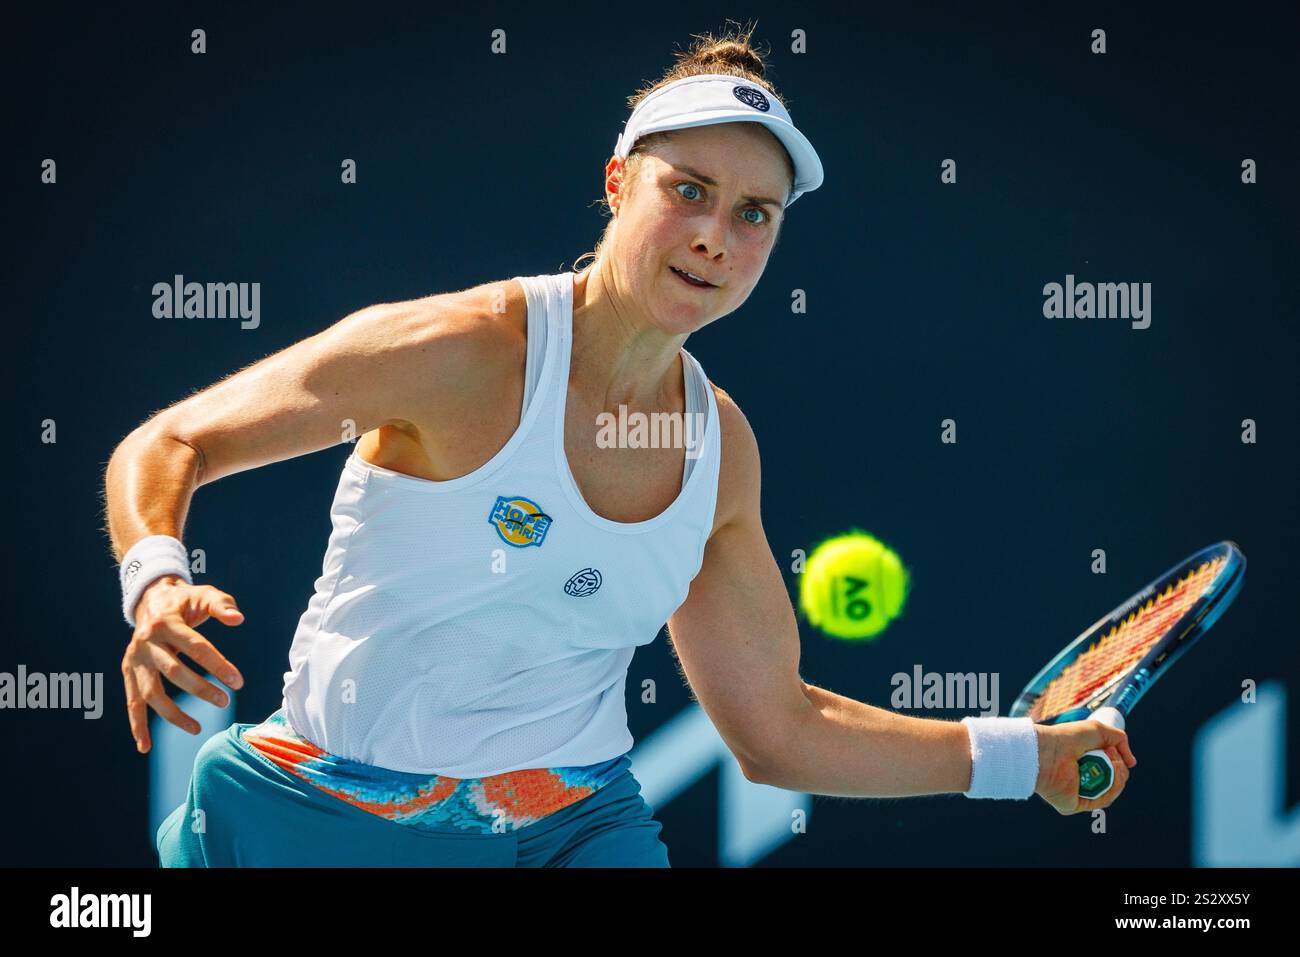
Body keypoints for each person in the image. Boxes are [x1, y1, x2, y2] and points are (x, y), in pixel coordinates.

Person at [105, 25, 1135, 868]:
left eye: (754, 214)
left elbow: (776, 729)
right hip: (324, 815)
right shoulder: (458, 352)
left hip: (574, 825)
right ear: (616, 182)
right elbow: (172, 440)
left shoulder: (720, 449)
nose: (715, 237)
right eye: (687, 190)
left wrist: (1022, 758)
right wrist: (155, 583)